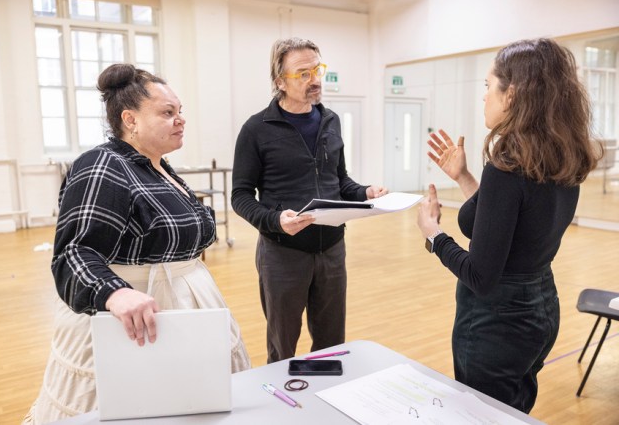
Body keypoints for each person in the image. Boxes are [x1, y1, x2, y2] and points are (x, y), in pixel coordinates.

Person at [23, 64, 250, 424]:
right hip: (131, 320)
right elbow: (73, 252)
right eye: (167, 112)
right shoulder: (102, 165)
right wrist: (114, 292)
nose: (180, 120)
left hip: (182, 309)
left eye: (180, 112)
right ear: (130, 119)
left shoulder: (158, 166)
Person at [416, 38, 601, 413]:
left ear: (512, 94)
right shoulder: (559, 155)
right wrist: (465, 176)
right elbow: (511, 223)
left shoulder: (508, 166)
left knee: (483, 416)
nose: (484, 97)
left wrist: (433, 233)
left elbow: (482, 276)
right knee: (512, 412)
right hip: (540, 311)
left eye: (488, 86)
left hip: (496, 324)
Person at [231, 37, 388, 363]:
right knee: (282, 344)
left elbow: (339, 181)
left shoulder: (330, 120)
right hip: (283, 253)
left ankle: (324, 403)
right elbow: (241, 196)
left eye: (317, 69)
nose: (315, 79)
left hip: (332, 249)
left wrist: (365, 192)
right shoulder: (256, 129)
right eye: (303, 73)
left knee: (332, 345)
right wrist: (275, 221)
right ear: (279, 81)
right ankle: (281, 408)